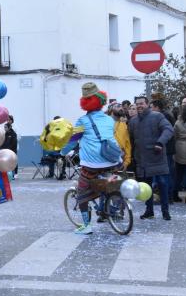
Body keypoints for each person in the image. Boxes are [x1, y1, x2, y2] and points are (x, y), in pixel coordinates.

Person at [60, 83, 123, 235]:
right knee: (109, 184)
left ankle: (86, 225)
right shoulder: (110, 120)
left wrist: (62, 151)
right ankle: (111, 204)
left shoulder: (82, 121)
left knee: (81, 192)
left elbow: (72, 141)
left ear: (85, 102)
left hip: (92, 164)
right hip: (114, 160)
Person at [128, 96, 174, 220]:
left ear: (147, 104)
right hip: (142, 159)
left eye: (142, 103)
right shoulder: (133, 121)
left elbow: (169, 130)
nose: (139, 106)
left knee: (163, 185)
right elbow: (131, 140)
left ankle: (165, 211)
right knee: (145, 187)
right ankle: (149, 210)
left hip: (157, 156)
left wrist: (160, 143)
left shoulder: (157, 116)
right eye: (137, 104)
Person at [150, 98, 176, 204]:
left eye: (152, 107)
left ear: (156, 107)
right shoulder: (166, 115)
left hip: (165, 149)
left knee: (165, 174)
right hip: (167, 148)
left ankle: (167, 197)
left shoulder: (162, 116)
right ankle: (167, 196)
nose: (150, 110)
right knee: (166, 173)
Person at [108, 103, 132, 170]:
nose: (121, 108)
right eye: (118, 106)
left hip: (121, 160)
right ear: (110, 109)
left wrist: (127, 161)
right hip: (106, 159)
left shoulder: (123, 124)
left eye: (121, 106)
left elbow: (127, 144)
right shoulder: (104, 123)